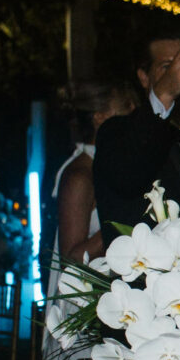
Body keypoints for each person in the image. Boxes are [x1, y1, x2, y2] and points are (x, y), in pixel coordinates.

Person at [92, 19, 180, 237]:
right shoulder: (117, 132)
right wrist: (164, 94)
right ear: (143, 77)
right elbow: (126, 176)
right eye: (167, 67)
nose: (179, 75)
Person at [50, 80, 138, 280]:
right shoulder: (80, 176)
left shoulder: (115, 166)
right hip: (86, 297)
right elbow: (70, 261)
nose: (135, 111)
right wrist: (123, 219)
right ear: (100, 117)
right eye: (127, 106)